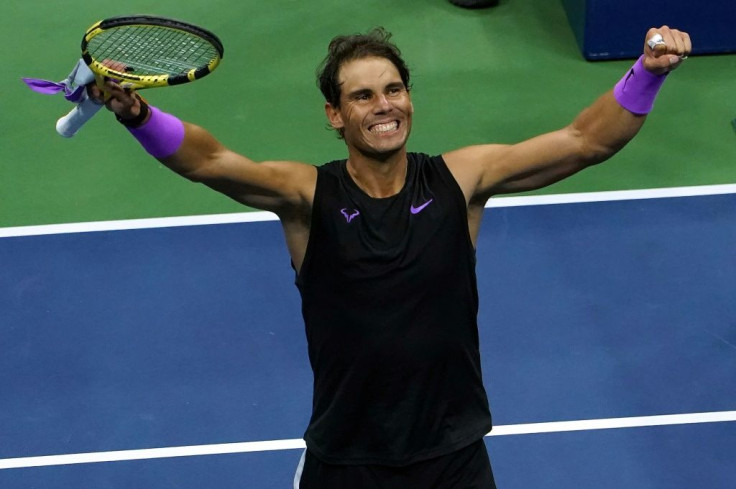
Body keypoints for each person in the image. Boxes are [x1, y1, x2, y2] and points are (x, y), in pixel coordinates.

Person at [90, 25, 691, 489]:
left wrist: (647, 72)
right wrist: (137, 113)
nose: (384, 105)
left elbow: (586, 141)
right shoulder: (307, 198)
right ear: (335, 114)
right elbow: (210, 162)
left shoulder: (461, 179)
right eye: (363, 96)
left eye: (394, 89)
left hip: (453, 454)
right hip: (348, 459)